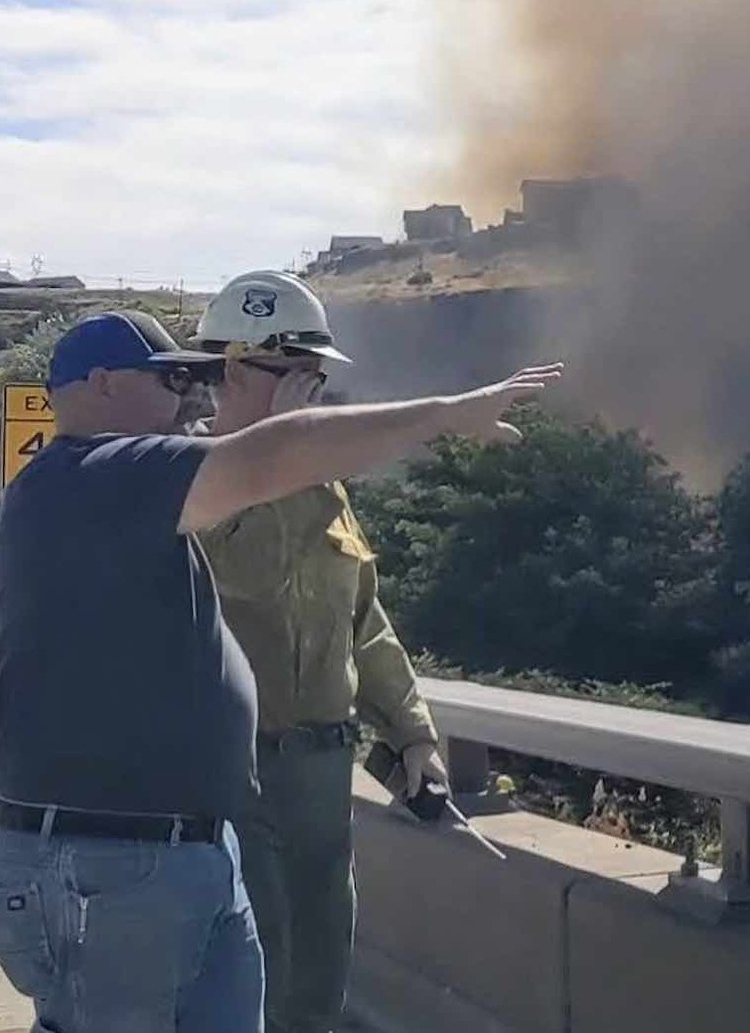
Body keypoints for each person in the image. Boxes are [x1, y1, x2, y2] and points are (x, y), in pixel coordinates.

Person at [0, 308, 560, 1033]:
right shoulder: (99, 474)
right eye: (174, 378)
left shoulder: (125, 494)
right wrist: (443, 414)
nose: (195, 396)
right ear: (100, 385)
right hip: (108, 864)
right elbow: (266, 464)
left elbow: (356, 619)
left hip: (183, 849)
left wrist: (409, 728)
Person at [190, 270, 442, 1033]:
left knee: (321, 971)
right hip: (235, 766)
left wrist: (413, 729)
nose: (314, 396)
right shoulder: (186, 477)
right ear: (234, 369)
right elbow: (248, 574)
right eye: (294, 377)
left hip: (322, 766)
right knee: (257, 965)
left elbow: (361, 617)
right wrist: (289, 462)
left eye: (317, 380)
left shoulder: (322, 484)